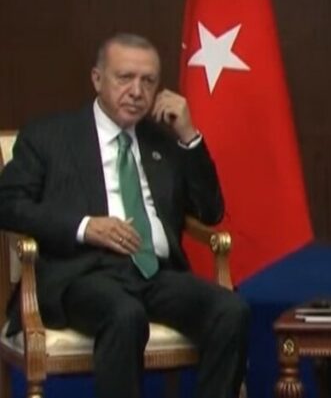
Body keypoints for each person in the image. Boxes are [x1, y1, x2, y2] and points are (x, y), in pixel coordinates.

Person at [0, 33, 249, 398]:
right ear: (97, 79)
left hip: (155, 274)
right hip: (83, 274)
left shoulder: (162, 141)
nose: (136, 91)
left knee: (231, 309)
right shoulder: (49, 136)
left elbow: (210, 212)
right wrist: (85, 227)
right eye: (125, 78)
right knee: (124, 313)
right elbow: (8, 204)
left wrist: (189, 136)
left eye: (148, 81)